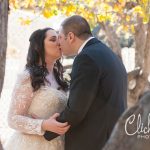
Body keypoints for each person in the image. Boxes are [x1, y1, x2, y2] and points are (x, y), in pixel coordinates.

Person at [43, 15, 127, 150]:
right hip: (111, 138)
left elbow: (76, 110)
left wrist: (45, 130)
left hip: (92, 142)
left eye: (60, 37)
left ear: (70, 37)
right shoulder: (107, 53)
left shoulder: (86, 58)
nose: (58, 43)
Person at [4, 28, 70, 150]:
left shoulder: (60, 77)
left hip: (56, 144)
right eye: (53, 40)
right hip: (30, 145)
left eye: (59, 39)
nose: (59, 43)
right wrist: (44, 124)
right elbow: (12, 119)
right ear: (37, 47)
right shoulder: (28, 77)